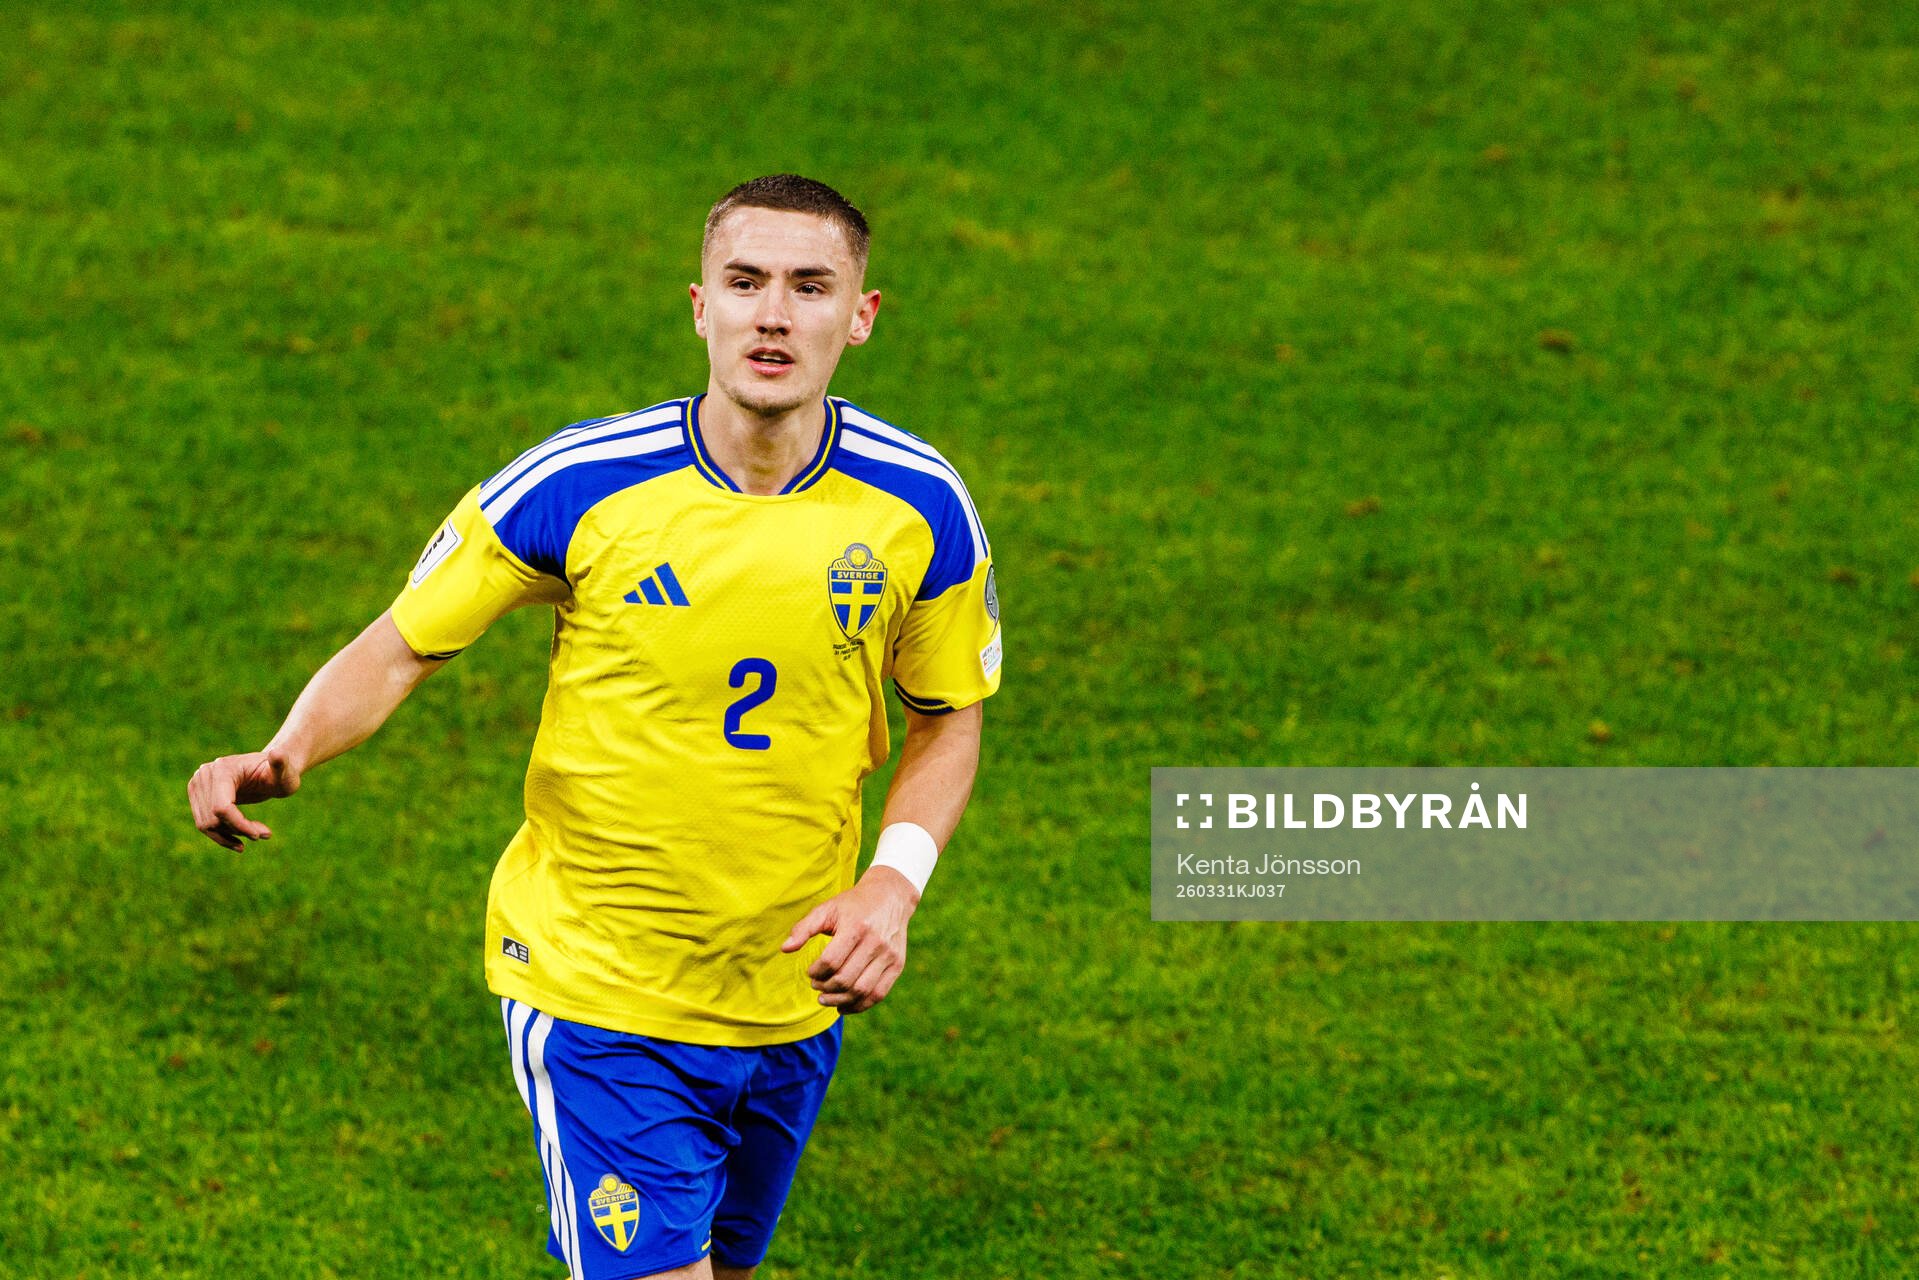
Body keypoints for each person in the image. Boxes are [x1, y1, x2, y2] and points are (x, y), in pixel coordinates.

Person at [187, 174, 1001, 1280]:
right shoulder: (582, 482)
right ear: (697, 305)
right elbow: (402, 642)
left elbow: (946, 716)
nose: (772, 314)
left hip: (787, 990)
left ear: (859, 315)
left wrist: (891, 886)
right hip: (596, 990)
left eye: (809, 286)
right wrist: (288, 748)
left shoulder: (919, 506)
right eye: (744, 281)